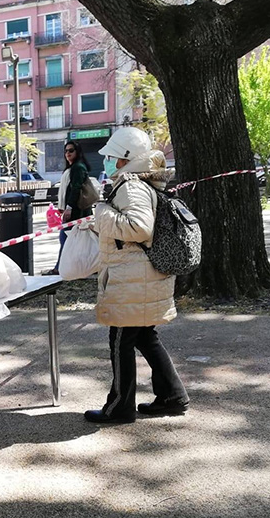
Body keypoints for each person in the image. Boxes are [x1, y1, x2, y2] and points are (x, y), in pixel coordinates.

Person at [84, 127, 189, 424]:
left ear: (124, 159)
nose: (105, 161)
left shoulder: (131, 185)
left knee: (121, 341)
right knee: (145, 337)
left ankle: (119, 407)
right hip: (140, 276)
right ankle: (173, 396)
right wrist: (99, 226)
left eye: (110, 157)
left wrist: (101, 213)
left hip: (132, 279)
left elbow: (139, 228)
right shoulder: (141, 183)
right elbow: (130, 231)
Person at [43, 140, 92, 275]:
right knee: (71, 240)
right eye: (66, 151)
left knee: (66, 239)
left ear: (78, 152)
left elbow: (76, 189)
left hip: (77, 212)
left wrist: (69, 207)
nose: (67, 153)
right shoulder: (71, 168)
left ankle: (60, 268)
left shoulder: (78, 168)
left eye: (71, 150)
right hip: (72, 211)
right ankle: (66, 268)